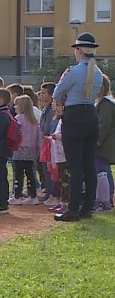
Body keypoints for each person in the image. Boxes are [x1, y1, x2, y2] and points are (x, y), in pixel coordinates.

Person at [52, 32, 104, 221]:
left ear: (79, 50)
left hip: (74, 117)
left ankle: (73, 209)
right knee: (89, 165)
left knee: (75, 167)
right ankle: (86, 208)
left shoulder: (74, 72)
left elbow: (57, 93)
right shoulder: (97, 73)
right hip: (91, 115)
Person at [8, 95, 43, 205]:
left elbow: (14, 133)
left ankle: (17, 195)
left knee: (18, 172)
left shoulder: (18, 119)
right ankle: (33, 195)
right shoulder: (34, 120)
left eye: (16, 104)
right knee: (30, 172)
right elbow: (39, 136)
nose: (14, 106)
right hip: (32, 149)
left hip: (20, 148)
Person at [0, 88, 14, 214]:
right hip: (4, 149)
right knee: (1, 175)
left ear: (1, 100)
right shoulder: (5, 113)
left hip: (0, 150)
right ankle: (2, 201)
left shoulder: (1, 115)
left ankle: (1, 202)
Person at [96, 75, 115, 210]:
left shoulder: (106, 104)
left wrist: (97, 141)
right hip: (105, 143)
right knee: (103, 171)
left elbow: (104, 125)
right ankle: (105, 199)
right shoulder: (103, 103)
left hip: (104, 144)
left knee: (103, 171)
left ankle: (106, 201)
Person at [38, 82, 57, 204]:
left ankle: (53, 194)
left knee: (52, 169)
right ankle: (49, 192)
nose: (41, 95)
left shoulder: (53, 109)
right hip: (45, 142)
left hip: (51, 141)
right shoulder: (45, 108)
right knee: (46, 169)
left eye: (44, 93)